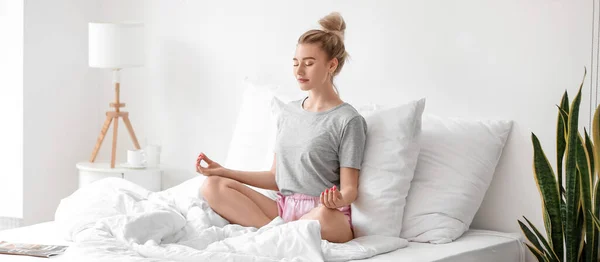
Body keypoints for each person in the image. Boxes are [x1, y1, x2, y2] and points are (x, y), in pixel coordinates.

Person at [197, 12, 367, 244]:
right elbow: (276, 178)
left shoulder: (348, 120)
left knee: (327, 218)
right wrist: (223, 171)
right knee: (213, 186)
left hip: (323, 214)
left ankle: (279, 234)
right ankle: (280, 233)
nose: (299, 71)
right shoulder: (288, 112)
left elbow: (350, 190)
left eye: (308, 63)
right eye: (296, 63)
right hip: (283, 209)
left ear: (331, 65)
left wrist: (337, 200)